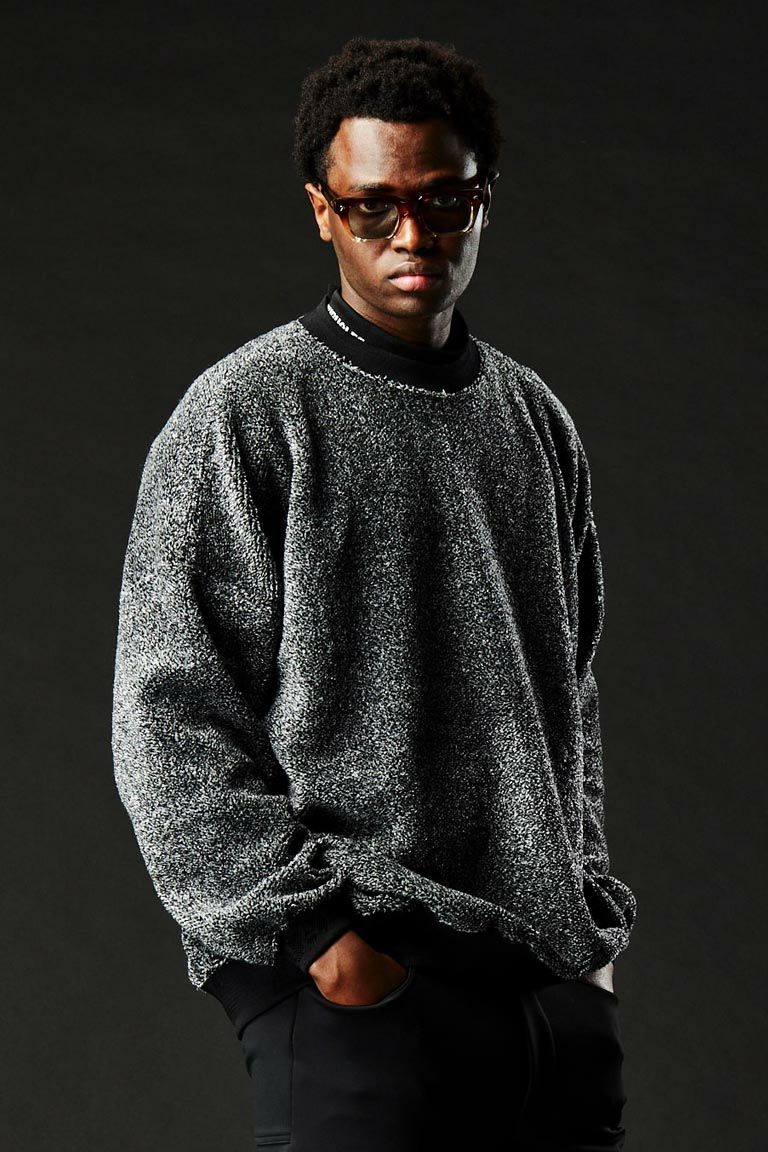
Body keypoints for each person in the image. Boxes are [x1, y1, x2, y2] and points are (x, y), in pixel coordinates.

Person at [111, 35, 637, 1151]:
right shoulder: (245, 415)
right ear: (323, 210)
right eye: (373, 207)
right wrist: (322, 947)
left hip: (546, 1001)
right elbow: (166, 721)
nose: (412, 235)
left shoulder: (535, 423)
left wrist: (587, 933)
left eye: (443, 200)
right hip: (361, 994)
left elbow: (572, 699)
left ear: (482, 199)